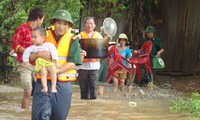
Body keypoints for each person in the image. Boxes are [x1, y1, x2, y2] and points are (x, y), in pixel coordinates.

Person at [30, 9, 82, 120]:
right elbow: (30, 57)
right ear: (53, 23)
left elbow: (73, 63)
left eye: (65, 24)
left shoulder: (73, 40)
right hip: (42, 83)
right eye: (59, 23)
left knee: (59, 117)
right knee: (40, 116)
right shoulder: (42, 35)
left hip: (63, 85)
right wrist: (39, 53)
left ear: (69, 26)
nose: (61, 26)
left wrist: (56, 71)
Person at [10, 7, 45, 109]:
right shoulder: (22, 29)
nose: (42, 21)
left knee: (40, 91)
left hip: (37, 65)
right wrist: (27, 52)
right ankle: (24, 115)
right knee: (28, 92)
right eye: (42, 19)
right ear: (39, 18)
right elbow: (14, 44)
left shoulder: (39, 31)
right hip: (24, 65)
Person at [22, 26, 60, 93]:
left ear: (43, 38)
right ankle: (45, 87)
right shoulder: (32, 48)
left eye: (35, 37)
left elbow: (54, 51)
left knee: (53, 70)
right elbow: (25, 53)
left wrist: (56, 61)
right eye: (32, 37)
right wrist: (26, 61)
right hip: (40, 64)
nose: (33, 39)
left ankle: (53, 87)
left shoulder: (48, 45)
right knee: (43, 72)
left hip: (49, 62)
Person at [76, 17, 103, 100]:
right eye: (88, 23)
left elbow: (103, 48)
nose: (89, 25)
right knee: (83, 88)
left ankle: (92, 105)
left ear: (94, 25)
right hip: (82, 66)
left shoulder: (98, 36)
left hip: (94, 66)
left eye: (91, 23)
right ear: (85, 25)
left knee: (93, 86)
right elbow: (74, 46)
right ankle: (84, 106)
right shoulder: (79, 36)